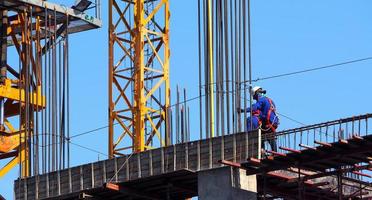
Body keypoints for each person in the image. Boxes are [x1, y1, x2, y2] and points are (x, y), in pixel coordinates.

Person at [240, 86, 279, 151]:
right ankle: (274, 152)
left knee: (259, 136)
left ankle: (262, 150)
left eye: (254, 96)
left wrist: (243, 110)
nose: (253, 98)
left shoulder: (262, 100)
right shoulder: (270, 100)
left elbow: (255, 107)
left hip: (268, 122)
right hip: (273, 122)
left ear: (257, 94)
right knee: (269, 137)